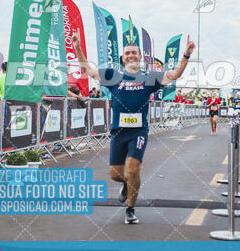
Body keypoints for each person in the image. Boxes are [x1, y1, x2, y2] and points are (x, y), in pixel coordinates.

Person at [72, 29, 195, 225]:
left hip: (139, 132)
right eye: (127, 53)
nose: (131, 55)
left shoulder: (149, 77)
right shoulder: (113, 76)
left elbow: (174, 75)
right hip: (118, 132)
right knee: (115, 174)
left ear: (140, 56)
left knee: (133, 168)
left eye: (134, 52)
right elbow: (87, 69)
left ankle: (130, 209)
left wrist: (186, 55)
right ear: (123, 58)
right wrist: (77, 47)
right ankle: (127, 186)